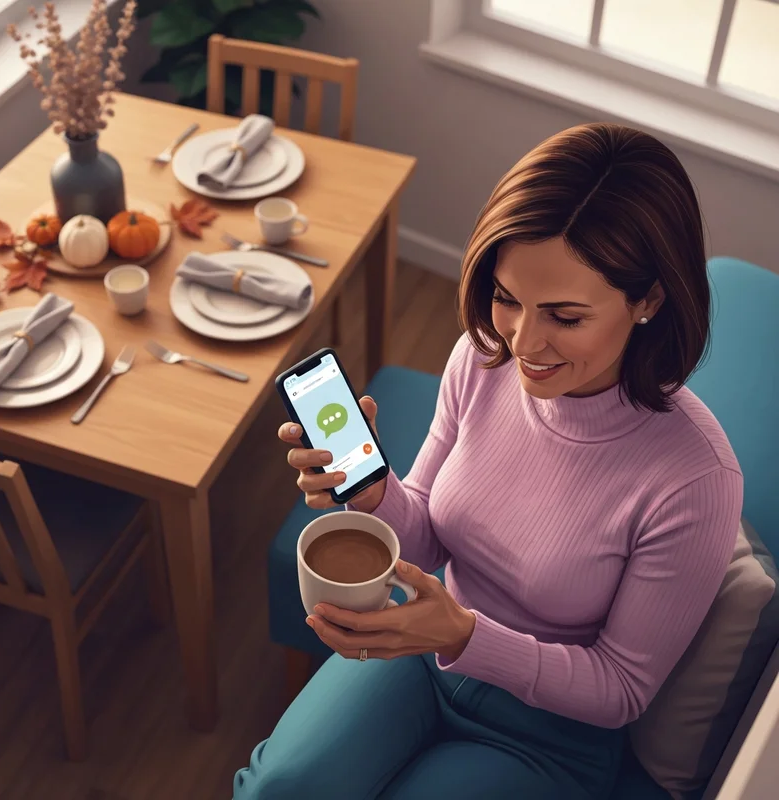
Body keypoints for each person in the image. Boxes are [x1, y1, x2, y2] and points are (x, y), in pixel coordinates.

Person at [233, 122, 744, 799]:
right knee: (279, 789)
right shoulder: (483, 357)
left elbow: (621, 689)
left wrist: (466, 634)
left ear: (647, 300)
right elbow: (425, 534)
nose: (524, 342)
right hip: (423, 647)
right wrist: (374, 493)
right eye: (507, 298)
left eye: (564, 316)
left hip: (548, 731)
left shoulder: (695, 479)